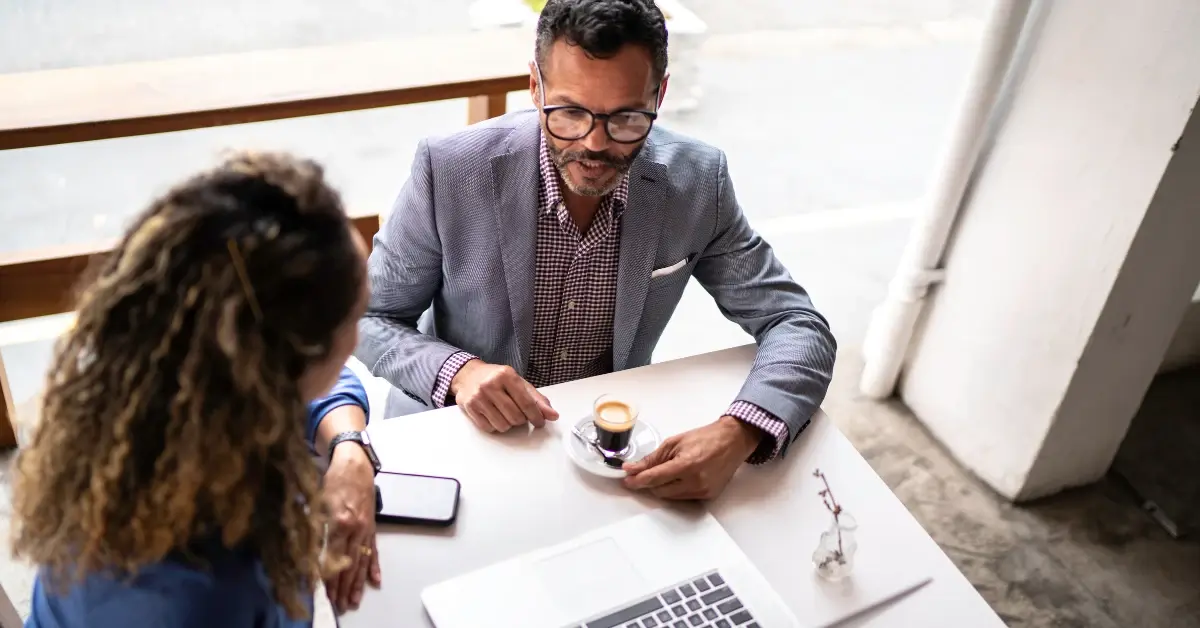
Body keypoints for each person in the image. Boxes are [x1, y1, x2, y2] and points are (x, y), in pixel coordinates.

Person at [357, 0, 836, 501]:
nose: (594, 144)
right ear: (534, 85)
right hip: (456, 440)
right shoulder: (450, 169)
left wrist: (742, 430)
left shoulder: (698, 184)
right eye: (568, 112)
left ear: (661, 93)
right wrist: (458, 373)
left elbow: (797, 324)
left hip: (603, 457)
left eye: (626, 118)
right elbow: (370, 319)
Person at [11, 152, 382, 627]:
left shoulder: (151, 388)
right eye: (355, 316)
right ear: (282, 360)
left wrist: (349, 447)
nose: (360, 330)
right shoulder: (209, 595)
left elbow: (321, 383)